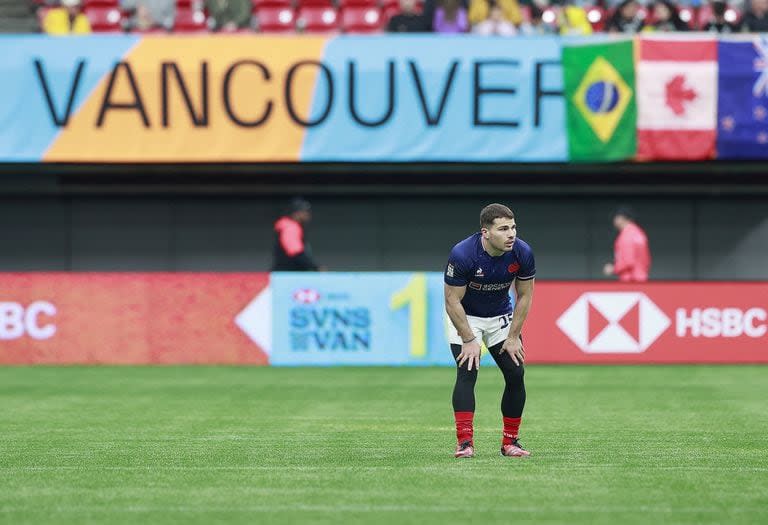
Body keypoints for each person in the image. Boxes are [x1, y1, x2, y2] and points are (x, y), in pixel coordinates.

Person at [444, 204, 535, 459]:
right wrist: (469, 339)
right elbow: (451, 301)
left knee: (516, 373)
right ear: (486, 232)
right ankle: (464, 443)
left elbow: (525, 295)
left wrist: (514, 336)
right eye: (503, 229)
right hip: (465, 317)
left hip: (500, 318)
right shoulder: (463, 254)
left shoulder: (522, 252)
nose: (511, 234)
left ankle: (510, 442)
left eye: (513, 227)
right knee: (467, 371)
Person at [603, 207, 651, 282]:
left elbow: (628, 261)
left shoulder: (627, 235)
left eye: (616, 217)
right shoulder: (639, 233)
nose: (614, 220)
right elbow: (647, 260)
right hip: (642, 277)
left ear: (621, 218)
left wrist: (613, 268)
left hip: (630, 280)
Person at [272, 198, 320, 272]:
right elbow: (295, 252)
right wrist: (316, 267)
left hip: (288, 274)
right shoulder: (289, 226)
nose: (308, 215)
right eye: (305, 212)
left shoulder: (293, 226)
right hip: (286, 275)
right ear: (296, 213)